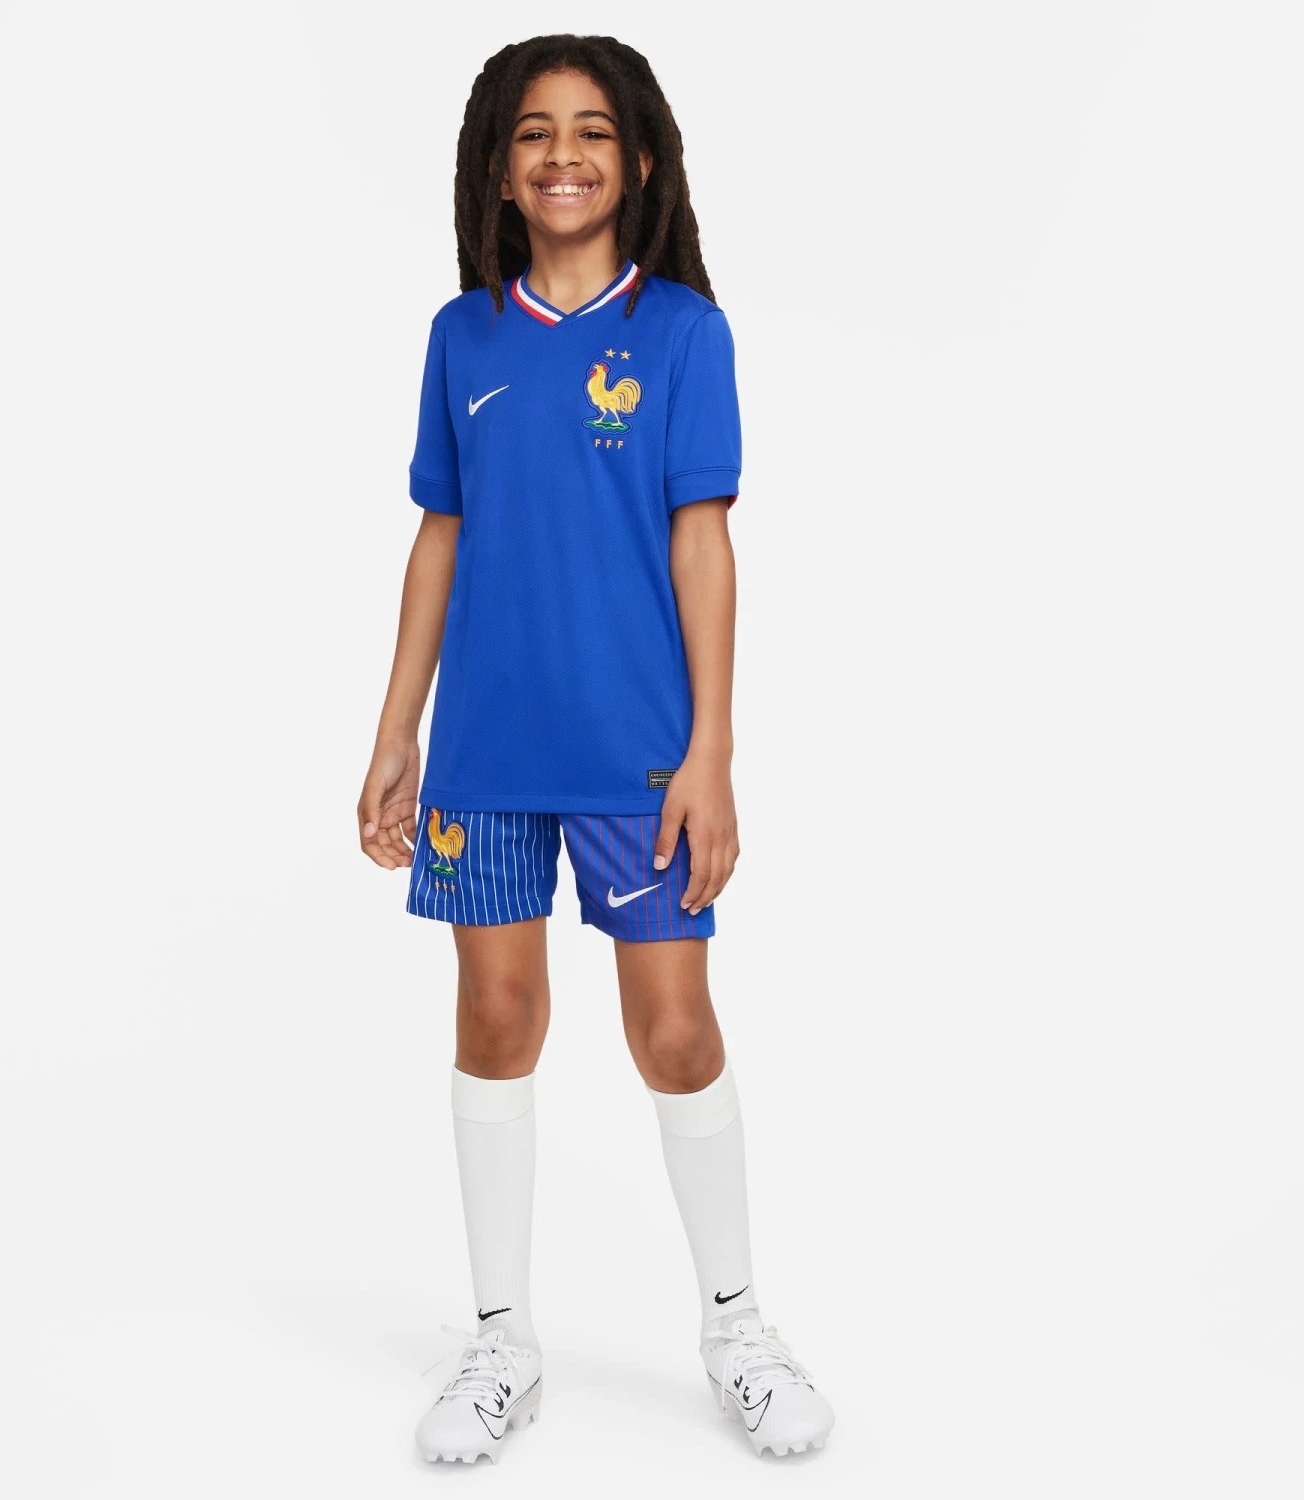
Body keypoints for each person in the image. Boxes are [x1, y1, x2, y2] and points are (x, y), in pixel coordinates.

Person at [357, 33, 833, 1464]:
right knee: (496, 1019)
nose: (562, 154)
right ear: (498, 170)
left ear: (638, 161)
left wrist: (712, 752)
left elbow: (704, 544)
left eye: (591, 132)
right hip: (487, 755)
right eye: (533, 132)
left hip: (641, 758)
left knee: (673, 1031)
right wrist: (396, 728)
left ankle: (737, 1325)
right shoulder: (463, 338)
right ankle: (501, 1340)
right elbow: (439, 536)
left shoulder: (682, 334)